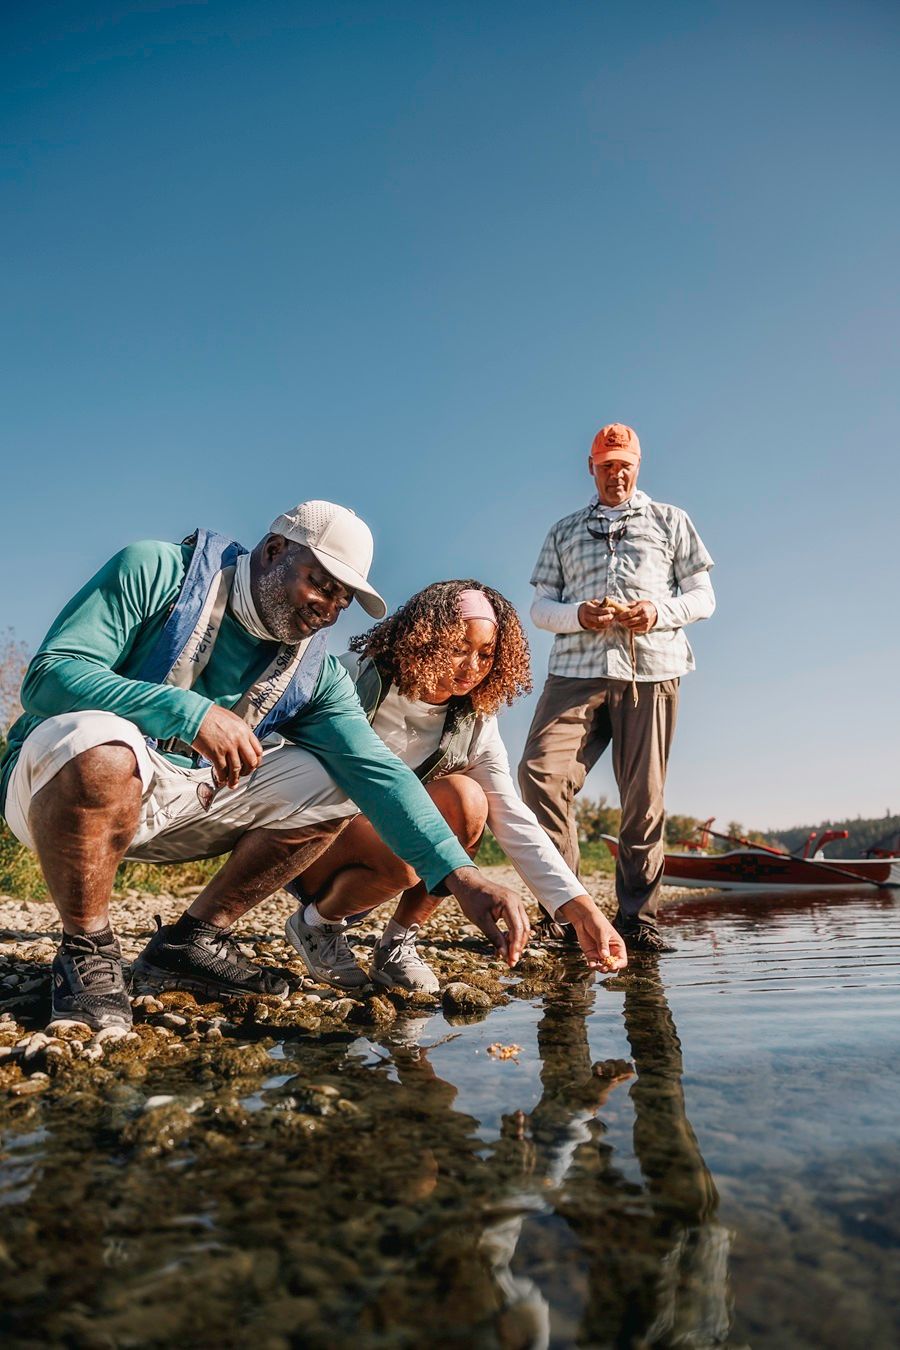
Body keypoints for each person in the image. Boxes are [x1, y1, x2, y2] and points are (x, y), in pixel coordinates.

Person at [0, 502, 531, 1032]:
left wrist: (460, 876)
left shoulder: (316, 672)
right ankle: (88, 947)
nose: (327, 609)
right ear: (274, 550)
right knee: (100, 742)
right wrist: (189, 711)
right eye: (319, 585)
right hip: (59, 791)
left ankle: (193, 942)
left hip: (187, 803)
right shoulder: (156, 569)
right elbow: (48, 677)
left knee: (336, 773)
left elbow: (378, 773)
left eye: (342, 600)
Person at [282, 580, 627, 993]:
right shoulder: (353, 677)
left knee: (469, 799)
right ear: (423, 639)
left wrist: (581, 906)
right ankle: (316, 925)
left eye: (486, 654)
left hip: (398, 856)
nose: (471, 667)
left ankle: (397, 944)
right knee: (409, 832)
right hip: (312, 844)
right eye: (458, 649)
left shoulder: (476, 721)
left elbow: (512, 817)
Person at [518, 423, 715, 953]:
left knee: (643, 801)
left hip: (651, 669)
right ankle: (567, 913)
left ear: (638, 464)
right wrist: (580, 614)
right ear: (592, 468)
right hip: (575, 671)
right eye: (607, 465)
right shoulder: (563, 531)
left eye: (625, 463)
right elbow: (540, 609)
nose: (617, 473)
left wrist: (658, 611)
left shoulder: (671, 521)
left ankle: (638, 919)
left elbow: (703, 597)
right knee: (539, 774)